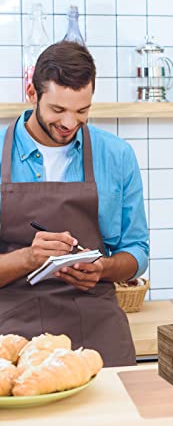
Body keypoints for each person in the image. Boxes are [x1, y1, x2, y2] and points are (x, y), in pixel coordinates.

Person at [0, 41, 149, 367]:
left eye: (82, 111)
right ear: (31, 92)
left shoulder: (117, 155)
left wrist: (103, 269)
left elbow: (137, 251)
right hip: (11, 323)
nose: (69, 123)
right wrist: (28, 258)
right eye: (57, 110)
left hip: (95, 316)